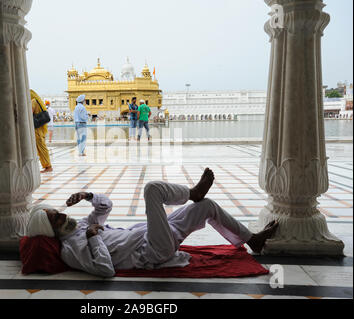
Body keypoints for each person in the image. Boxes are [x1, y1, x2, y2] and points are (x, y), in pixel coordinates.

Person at [26, 168, 279, 278]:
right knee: (152, 190)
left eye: (57, 212)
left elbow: (106, 207)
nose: (62, 215)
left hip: (154, 234)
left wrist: (87, 195)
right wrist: (94, 241)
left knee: (207, 207)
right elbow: (105, 270)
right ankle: (192, 193)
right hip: (151, 250)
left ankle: (251, 240)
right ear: (51, 230)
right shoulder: (71, 250)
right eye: (56, 218)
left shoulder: (80, 226)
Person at [31, 89, 52, 173]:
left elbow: (29, 112)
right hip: (40, 128)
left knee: (41, 147)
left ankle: (48, 166)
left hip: (37, 129)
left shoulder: (33, 101)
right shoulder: (37, 100)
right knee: (41, 147)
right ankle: (46, 165)